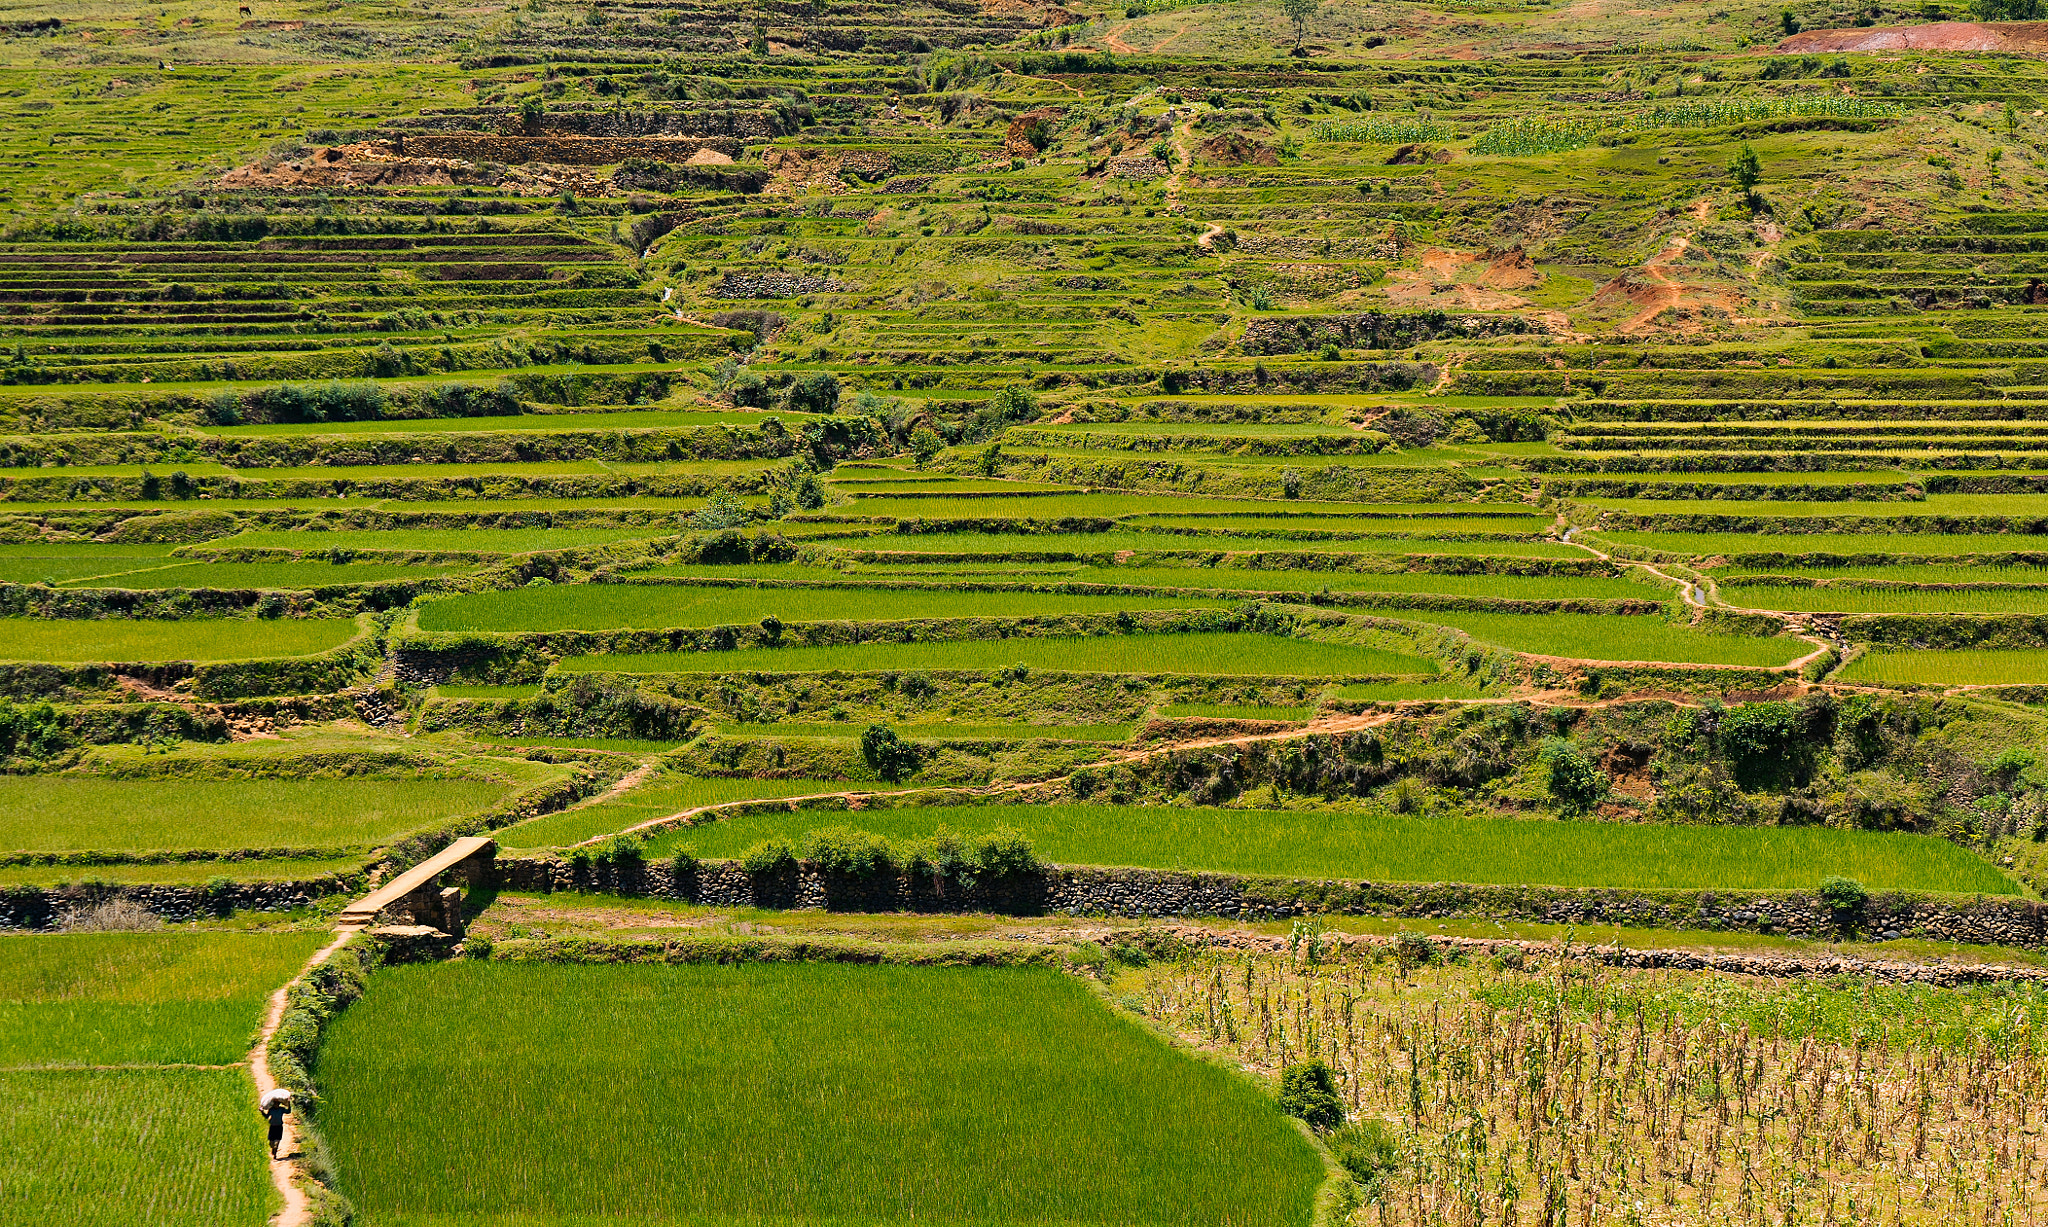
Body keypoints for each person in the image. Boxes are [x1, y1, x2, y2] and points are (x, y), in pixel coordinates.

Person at [258, 1089, 293, 1159]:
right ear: (273, 1103)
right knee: (271, 1143)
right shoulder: (271, 1110)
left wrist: (289, 1103)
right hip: (272, 1127)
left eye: (277, 1103)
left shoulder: (281, 1109)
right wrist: (262, 1112)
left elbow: (288, 1111)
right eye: (275, 1103)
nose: (276, 1104)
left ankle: (275, 1154)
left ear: (279, 1104)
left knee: (277, 1142)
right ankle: (273, 1149)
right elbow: (267, 1116)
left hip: (279, 1127)